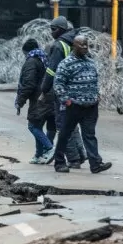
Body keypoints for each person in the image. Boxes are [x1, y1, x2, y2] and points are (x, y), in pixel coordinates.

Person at [51, 34, 112, 174]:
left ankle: (95, 164)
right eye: (82, 45)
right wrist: (67, 100)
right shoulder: (66, 63)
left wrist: (96, 96)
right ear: (74, 46)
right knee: (65, 134)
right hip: (73, 106)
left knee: (89, 135)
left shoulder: (90, 62)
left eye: (86, 45)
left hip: (91, 107)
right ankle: (59, 162)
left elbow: (95, 81)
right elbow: (58, 84)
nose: (85, 47)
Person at [42, 17, 86, 167]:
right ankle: (81, 154)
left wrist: (44, 89)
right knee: (73, 124)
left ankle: (73, 159)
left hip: (62, 91)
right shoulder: (77, 42)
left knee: (63, 125)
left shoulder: (59, 45)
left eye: (53, 29)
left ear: (60, 29)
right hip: (77, 89)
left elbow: (51, 71)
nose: (51, 32)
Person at [14, 39, 55, 165]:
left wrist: (20, 101)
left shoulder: (31, 62)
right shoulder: (45, 59)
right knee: (42, 126)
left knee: (33, 126)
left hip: (40, 99)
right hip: (52, 96)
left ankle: (49, 148)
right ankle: (39, 155)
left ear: (26, 51)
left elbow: (28, 84)